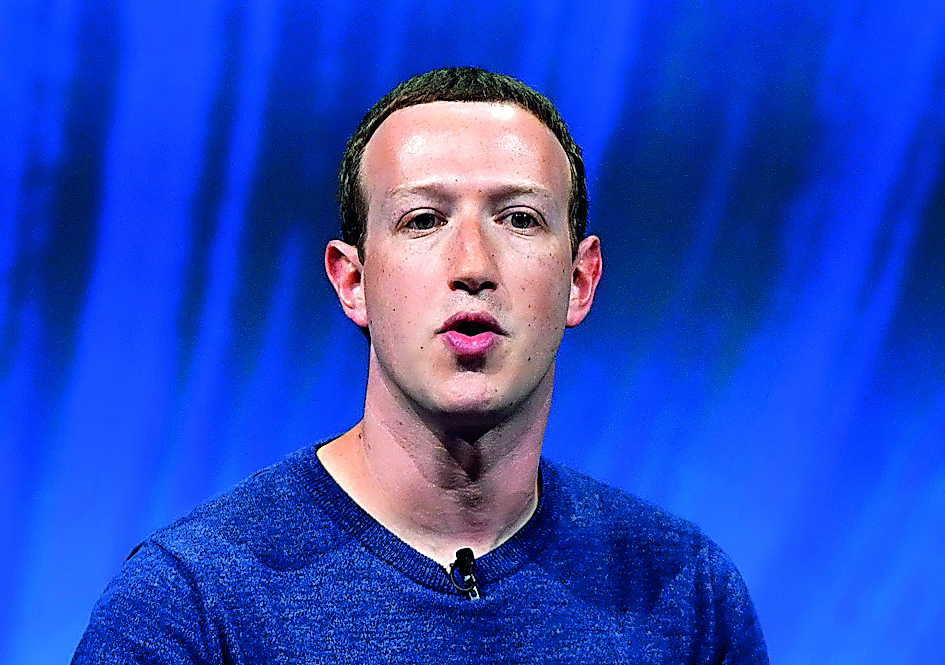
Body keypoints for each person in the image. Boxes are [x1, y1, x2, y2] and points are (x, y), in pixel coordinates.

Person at [73, 66, 769, 664]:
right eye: (423, 220)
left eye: (519, 218)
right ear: (353, 281)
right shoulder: (194, 602)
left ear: (580, 280)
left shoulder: (682, 594)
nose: (472, 266)